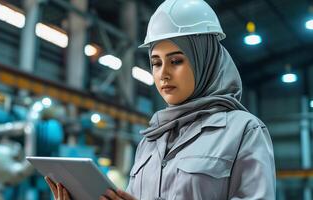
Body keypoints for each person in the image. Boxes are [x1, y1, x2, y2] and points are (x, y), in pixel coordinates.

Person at [45, 0, 276, 199]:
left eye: (176, 61)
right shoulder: (151, 140)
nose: (163, 73)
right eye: (156, 63)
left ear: (205, 61)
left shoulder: (243, 131)